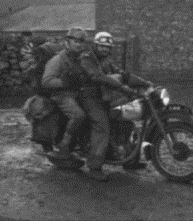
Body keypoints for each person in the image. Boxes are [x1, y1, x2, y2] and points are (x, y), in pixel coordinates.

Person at [91, 31, 154, 171]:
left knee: (126, 122)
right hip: (92, 98)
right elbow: (100, 78)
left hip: (106, 97)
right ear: (95, 45)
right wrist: (124, 88)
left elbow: (123, 75)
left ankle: (129, 160)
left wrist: (144, 83)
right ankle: (94, 167)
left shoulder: (107, 61)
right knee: (102, 128)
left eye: (107, 47)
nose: (104, 49)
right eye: (101, 46)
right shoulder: (89, 59)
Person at [40, 27, 90, 167]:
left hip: (77, 93)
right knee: (78, 115)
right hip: (61, 95)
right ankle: (64, 149)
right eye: (76, 41)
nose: (79, 44)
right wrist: (64, 82)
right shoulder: (58, 59)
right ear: (68, 41)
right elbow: (46, 81)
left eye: (82, 41)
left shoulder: (79, 58)